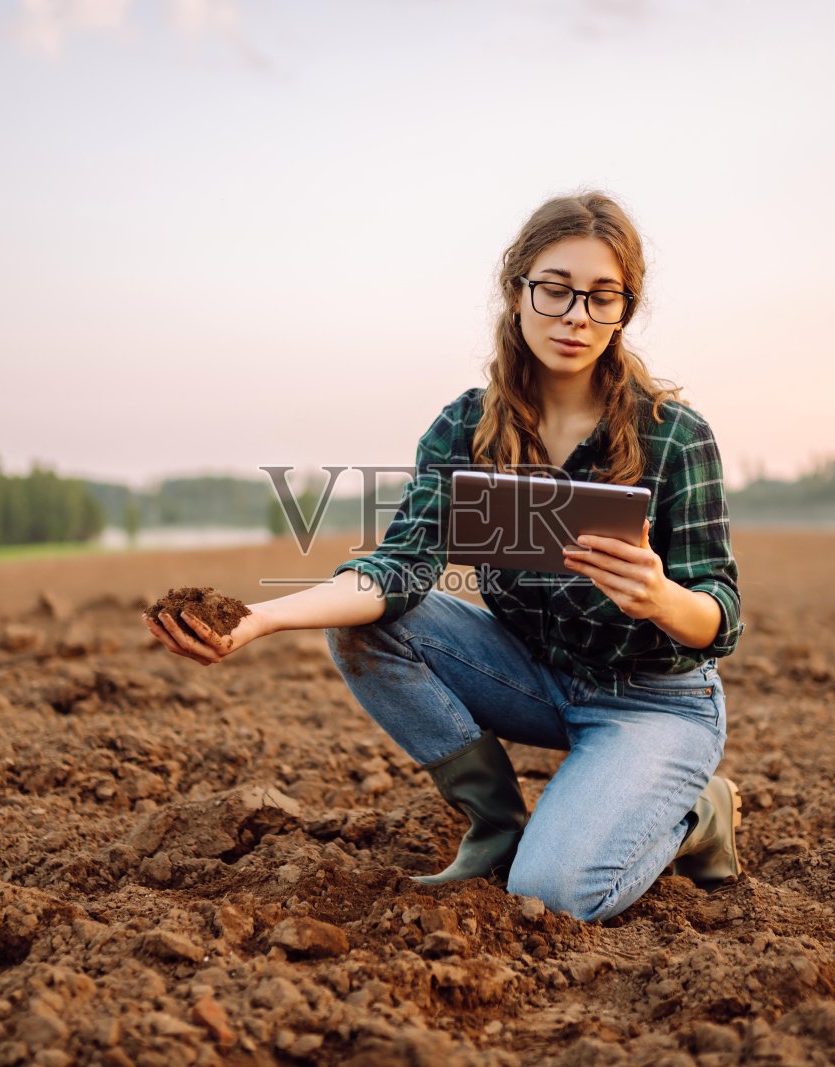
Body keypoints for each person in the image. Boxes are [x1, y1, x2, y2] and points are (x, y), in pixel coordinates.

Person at [144, 191, 744, 923]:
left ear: (625, 309)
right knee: (373, 623)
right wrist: (259, 619)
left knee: (553, 894)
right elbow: (398, 570)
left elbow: (722, 616)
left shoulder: (674, 435)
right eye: (555, 289)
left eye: (602, 297)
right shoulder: (466, 428)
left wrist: (660, 597)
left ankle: (695, 814)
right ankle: (496, 823)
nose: (576, 316)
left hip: (656, 702)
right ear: (516, 290)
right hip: (536, 676)